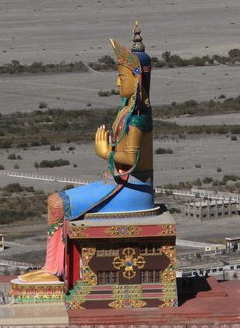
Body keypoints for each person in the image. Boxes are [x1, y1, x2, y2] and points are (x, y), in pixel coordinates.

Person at [18, 25, 154, 283]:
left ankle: (53, 270)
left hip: (131, 189)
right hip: (118, 182)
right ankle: (56, 267)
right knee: (59, 202)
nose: (117, 82)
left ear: (136, 81)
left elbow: (132, 160)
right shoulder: (127, 110)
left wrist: (106, 153)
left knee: (57, 203)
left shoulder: (138, 117)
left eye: (121, 78)